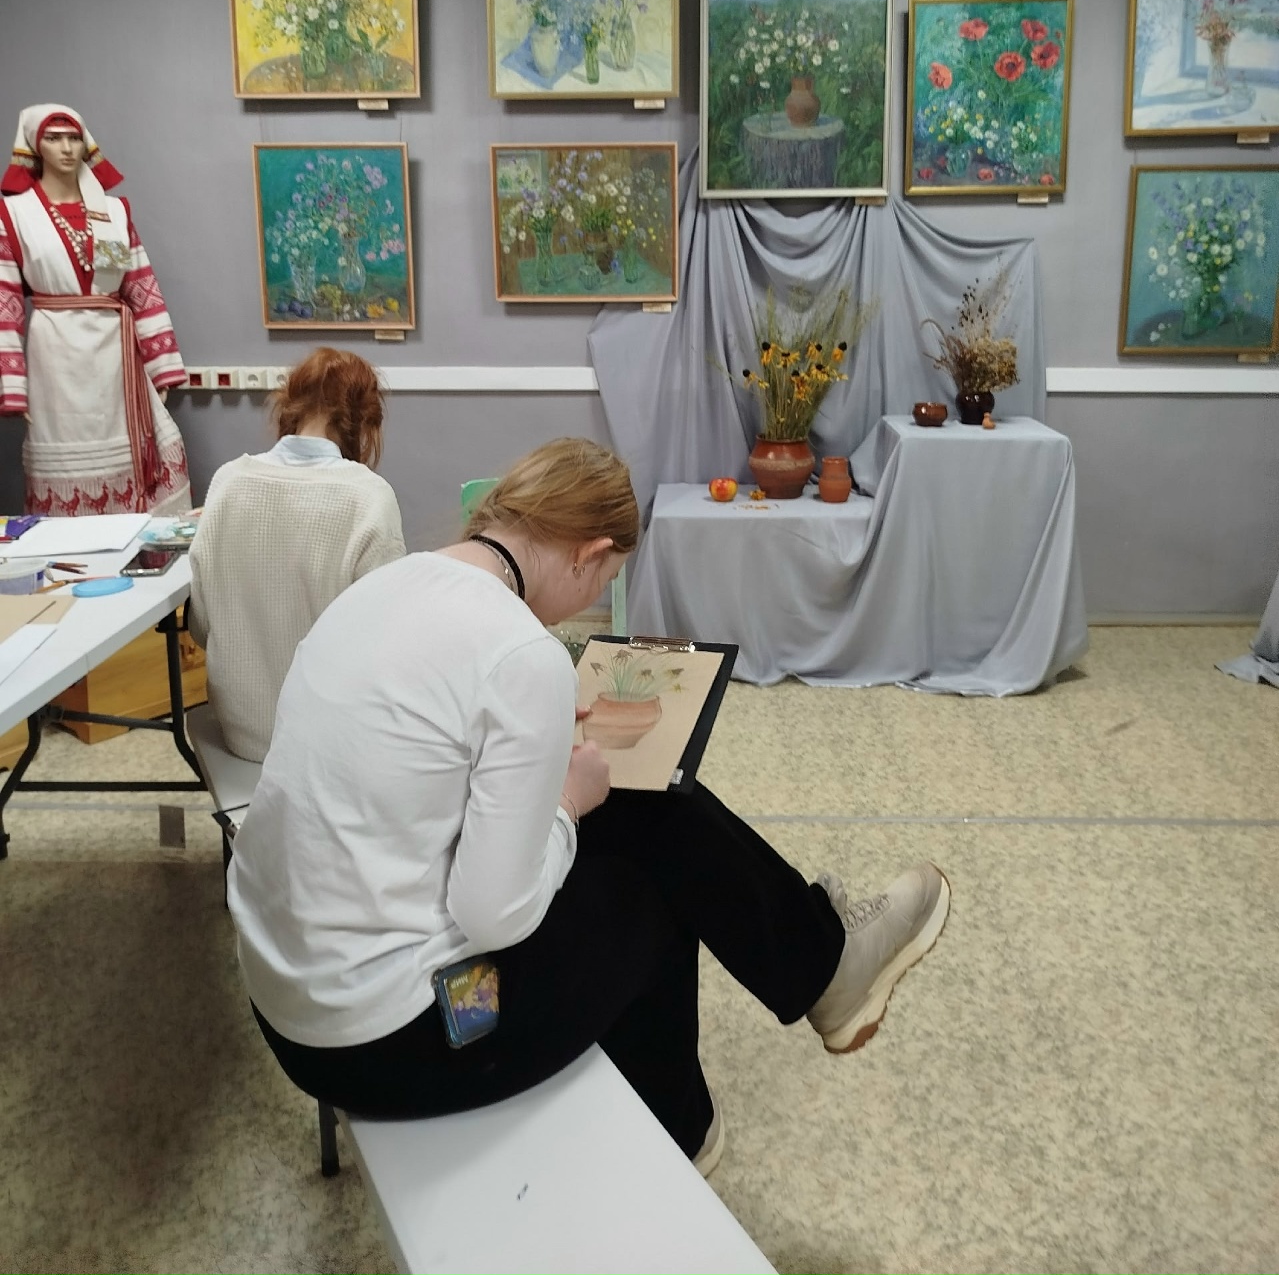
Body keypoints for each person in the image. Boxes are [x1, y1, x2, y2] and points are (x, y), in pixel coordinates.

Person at [226, 438, 949, 1173]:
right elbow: (493, 915)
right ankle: (683, 1132)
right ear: (590, 554)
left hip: (288, 1000)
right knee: (653, 897)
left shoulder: (387, 587)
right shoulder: (520, 651)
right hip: (390, 1039)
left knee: (645, 809)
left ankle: (821, 973)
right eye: (606, 576)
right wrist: (567, 804)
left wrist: (540, 759)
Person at [188, 347, 405, 763]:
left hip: (242, 733)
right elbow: (385, 646)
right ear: (367, 422)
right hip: (328, 744)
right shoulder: (369, 497)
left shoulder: (228, 482)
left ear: (288, 406)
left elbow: (201, 626)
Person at [0, 103, 190, 515]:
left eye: (74, 138)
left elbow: (139, 286)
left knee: (139, 452)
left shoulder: (110, 211)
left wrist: (160, 365)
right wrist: (13, 386)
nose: (67, 148)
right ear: (34, 146)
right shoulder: (15, 214)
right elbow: (6, 306)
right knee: (69, 459)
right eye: (54, 138)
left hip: (115, 350)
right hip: (55, 354)